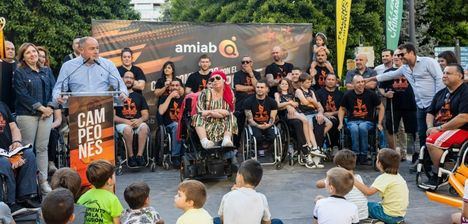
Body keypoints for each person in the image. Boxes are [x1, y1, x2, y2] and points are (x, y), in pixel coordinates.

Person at [365, 43, 444, 151]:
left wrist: (438, 101)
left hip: (434, 104)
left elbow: (440, 80)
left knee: (433, 132)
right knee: (422, 133)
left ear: (411, 52)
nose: (400, 57)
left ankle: (436, 160)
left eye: (402, 54)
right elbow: (387, 75)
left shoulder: (428, 62)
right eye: (398, 55)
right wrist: (369, 79)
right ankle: (422, 161)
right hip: (421, 105)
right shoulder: (405, 68)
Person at [14, 42, 56, 194]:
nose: (32, 54)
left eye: (34, 51)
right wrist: (41, 108)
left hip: (47, 115)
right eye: (28, 53)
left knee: (42, 148)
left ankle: (43, 182)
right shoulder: (20, 72)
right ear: (23, 57)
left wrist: (50, 107)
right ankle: (29, 184)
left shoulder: (46, 70)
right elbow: (22, 94)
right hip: (27, 116)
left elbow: (54, 89)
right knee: (28, 151)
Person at [425, 64, 468, 184]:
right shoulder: (441, 93)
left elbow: (464, 117)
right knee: (430, 137)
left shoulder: (465, 92)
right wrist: (430, 127)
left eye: (448, 73)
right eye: (444, 73)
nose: (444, 76)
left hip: (463, 129)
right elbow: (430, 112)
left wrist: (439, 129)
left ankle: (440, 173)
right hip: (442, 129)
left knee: (432, 141)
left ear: (459, 76)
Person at [53, 36, 128, 105]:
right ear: (81, 50)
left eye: (97, 48)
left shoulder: (108, 65)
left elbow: (120, 85)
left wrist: (123, 93)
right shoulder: (68, 66)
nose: (96, 51)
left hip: (103, 109)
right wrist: (58, 96)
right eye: (92, 48)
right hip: (78, 110)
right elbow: (59, 88)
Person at [0, 101, 41, 212]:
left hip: (9, 150)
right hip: (2, 156)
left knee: (28, 155)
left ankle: (26, 197)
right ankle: (10, 202)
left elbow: (14, 128)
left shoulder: (3, 105)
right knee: (4, 163)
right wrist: (10, 158)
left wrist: (17, 141)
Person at [214, 159, 283, 224]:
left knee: (215, 220)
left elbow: (222, 220)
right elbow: (267, 222)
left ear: (240, 177)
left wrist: (233, 192)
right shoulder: (262, 198)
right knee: (277, 222)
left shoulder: (227, 196)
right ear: (258, 183)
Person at [378, 49, 417, 161]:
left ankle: (410, 153)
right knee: (391, 129)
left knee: (410, 131)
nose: (396, 57)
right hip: (393, 105)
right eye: (394, 55)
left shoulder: (411, 70)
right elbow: (380, 87)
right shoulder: (388, 72)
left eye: (398, 55)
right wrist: (385, 93)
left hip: (410, 104)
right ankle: (394, 153)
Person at [353, 148, 409, 224]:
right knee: (376, 204)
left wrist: (353, 179)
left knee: (366, 206)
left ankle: (376, 222)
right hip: (399, 214)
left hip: (387, 215)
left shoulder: (384, 178)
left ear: (379, 163)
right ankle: (396, 221)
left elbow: (368, 192)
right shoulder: (398, 177)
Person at [338, 75, 384, 165]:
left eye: (362, 82)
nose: (361, 84)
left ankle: (364, 155)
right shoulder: (348, 94)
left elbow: (381, 107)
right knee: (355, 128)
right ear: (353, 84)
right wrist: (340, 123)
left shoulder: (371, 94)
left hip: (368, 121)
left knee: (362, 127)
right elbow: (342, 109)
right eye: (358, 82)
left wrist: (379, 123)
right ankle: (356, 154)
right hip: (352, 121)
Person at [315, 149, 368, 221]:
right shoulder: (358, 177)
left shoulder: (337, 179)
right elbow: (365, 194)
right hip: (363, 215)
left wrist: (332, 175)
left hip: (346, 217)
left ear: (338, 167)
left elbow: (318, 184)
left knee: (319, 199)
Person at [275, 78, 318, 160]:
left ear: (289, 85)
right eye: (282, 84)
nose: (284, 85)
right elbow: (278, 105)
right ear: (279, 85)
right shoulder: (277, 94)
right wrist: (289, 104)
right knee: (305, 120)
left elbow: (296, 104)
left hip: (296, 111)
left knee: (306, 122)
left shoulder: (292, 94)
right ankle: (308, 144)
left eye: (286, 84)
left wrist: (291, 104)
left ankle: (312, 145)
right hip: (287, 114)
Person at [192, 70, 237, 149]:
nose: (215, 81)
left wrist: (212, 112)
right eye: (212, 80)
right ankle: (205, 142)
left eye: (217, 78)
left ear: (223, 80)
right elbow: (200, 111)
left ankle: (226, 140)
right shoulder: (205, 93)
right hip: (207, 122)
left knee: (232, 116)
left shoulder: (230, 93)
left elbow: (229, 111)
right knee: (197, 117)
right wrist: (213, 113)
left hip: (222, 122)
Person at [114, 71, 150, 167]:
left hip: (137, 122)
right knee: (127, 129)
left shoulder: (139, 97)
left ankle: (139, 156)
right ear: (122, 79)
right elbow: (113, 117)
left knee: (144, 127)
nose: (129, 79)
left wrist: (140, 120)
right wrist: (126, 121)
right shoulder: (116, 96)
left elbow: (145, 115)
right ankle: (131, 157)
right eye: (126, 77)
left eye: (131, 78)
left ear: (134, 81)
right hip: (122, 124)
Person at [295, 73, 330, 167]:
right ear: (301, 83)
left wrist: (311, 101)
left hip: (314, 112)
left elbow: (317, 105)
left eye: (310, 82)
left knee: (329, 123)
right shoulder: (298, 90)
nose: (309, 84)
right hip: (305, 113)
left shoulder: (311, 91)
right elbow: (304, 102)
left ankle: (315, 140)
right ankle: (313, 147)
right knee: (309, 126)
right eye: (307, 82)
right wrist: (311, 102)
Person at [77, 159, 123, 224]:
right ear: (109, 180)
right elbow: (117, 222)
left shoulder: (83, 197)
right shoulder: (112, 199)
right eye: (113, 174)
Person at [244, 81, 278, 157]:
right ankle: (260, 147)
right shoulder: (248, 101)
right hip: (255, 124)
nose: (259, 89)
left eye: (262, 87)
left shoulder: (272, 102)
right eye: (258, 87)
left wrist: (268, 124)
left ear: (267, 89)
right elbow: (249, 119)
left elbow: (272, 117)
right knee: (257, 137)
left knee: (272, 136)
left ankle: (265, 146)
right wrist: (258, 126)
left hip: (267, 124)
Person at [233, 56, 261, 146]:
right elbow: (238, 88)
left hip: (255, 103)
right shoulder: (237, 74)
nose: (245, 64)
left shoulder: (256, 74)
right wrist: (253, 88)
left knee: (255, 125)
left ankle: (256, 146)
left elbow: (258, 88)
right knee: (238, 126)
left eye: (247, 62)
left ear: (251, 63)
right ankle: (235, 147)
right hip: (241, 103)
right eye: (243, 62)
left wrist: (251, 74)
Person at [158, 79, 184, 166]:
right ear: (169, 87)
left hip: (182, 124)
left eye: (177, 85)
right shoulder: (164, 98)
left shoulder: (184, 99)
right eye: (172, 85)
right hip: (169, 126)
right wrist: (170, 97)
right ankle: (175, 156)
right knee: (177, 126)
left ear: (180, 87)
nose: (175, 87)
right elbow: (161, 111)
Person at [316, 74, 344, 151]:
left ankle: (334, 146)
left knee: (334, 121)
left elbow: (344, 109)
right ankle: (320, 146)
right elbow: (316, 107)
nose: (330, 81)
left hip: (337, 117)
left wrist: (332, 113)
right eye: (328, 79)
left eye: (333, 80)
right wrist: (323, 114)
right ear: (325, 81)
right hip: (322, 116)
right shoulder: (318, 93)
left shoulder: (341, 94)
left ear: (336, 82)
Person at [0, 41, 17, 112]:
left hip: (16, 109)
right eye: (7, 49)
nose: (11, 51)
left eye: (12, 49)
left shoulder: (20, 66)